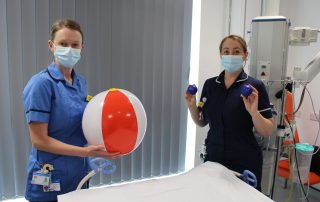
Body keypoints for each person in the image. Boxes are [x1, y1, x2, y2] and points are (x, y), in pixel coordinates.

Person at [23, 19, 119, 202]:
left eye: (75, 45)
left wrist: (106, 144)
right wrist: (87, 152)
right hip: (49, 176)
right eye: (63, 44)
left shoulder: (80, 82)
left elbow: (82, 124)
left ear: (82, 48)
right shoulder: (41, 84)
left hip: (79, 174)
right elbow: (39, 141)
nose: (69, 49)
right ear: (51, 46)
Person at [185, 35, 274, 191]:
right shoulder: (211, 85)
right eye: (226, 51)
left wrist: (254, 113)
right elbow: (202, 122)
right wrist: (192, 107)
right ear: (220, 55)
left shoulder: (255, 86)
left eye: (236, 51)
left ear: (245, 55)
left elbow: (267, 130)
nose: (230, 55)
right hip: (214, 158)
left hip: (244, 161)